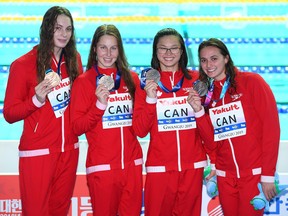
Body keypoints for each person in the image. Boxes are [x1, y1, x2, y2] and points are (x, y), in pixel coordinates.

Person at [3, 6, 83, 216]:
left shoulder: (75, 60)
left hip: (69, 151)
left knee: (59, 211)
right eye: (58, 28)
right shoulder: (23, 65)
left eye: (68, 29)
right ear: (47, 29)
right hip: (38, 153)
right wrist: (36, 100)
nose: (64, 34)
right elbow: (9, 114)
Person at [187, 38, 280, 216]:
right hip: (224, 177)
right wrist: (198, 111)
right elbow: (212, 141)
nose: (208, 65)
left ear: (226, 58)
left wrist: (267, 175)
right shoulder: (207, 95)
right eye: (204, 60)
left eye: (214, 58)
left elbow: (271, 130)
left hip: (252, 176)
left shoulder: (252, 82)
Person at [132, 28, 211, 216]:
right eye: (163, 49)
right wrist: (151, 100)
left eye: (174, 48)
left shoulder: (197, 80)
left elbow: (209, 126)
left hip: (192, 167)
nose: (168, 54)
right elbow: (140, 129)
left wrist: (199, 109)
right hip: (160, 168)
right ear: (155, 52)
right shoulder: (145, 84)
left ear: (182, 51)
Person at [70, 24, 143, 216]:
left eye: (113, 47)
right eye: (103, 47)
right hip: (102, 168)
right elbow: (76, 127)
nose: (108, 53)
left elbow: (140, 122)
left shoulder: (131, 79)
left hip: (132, 165)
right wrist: (99, 106)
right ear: (94, 48)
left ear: (120, 50)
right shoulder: (84, 82)